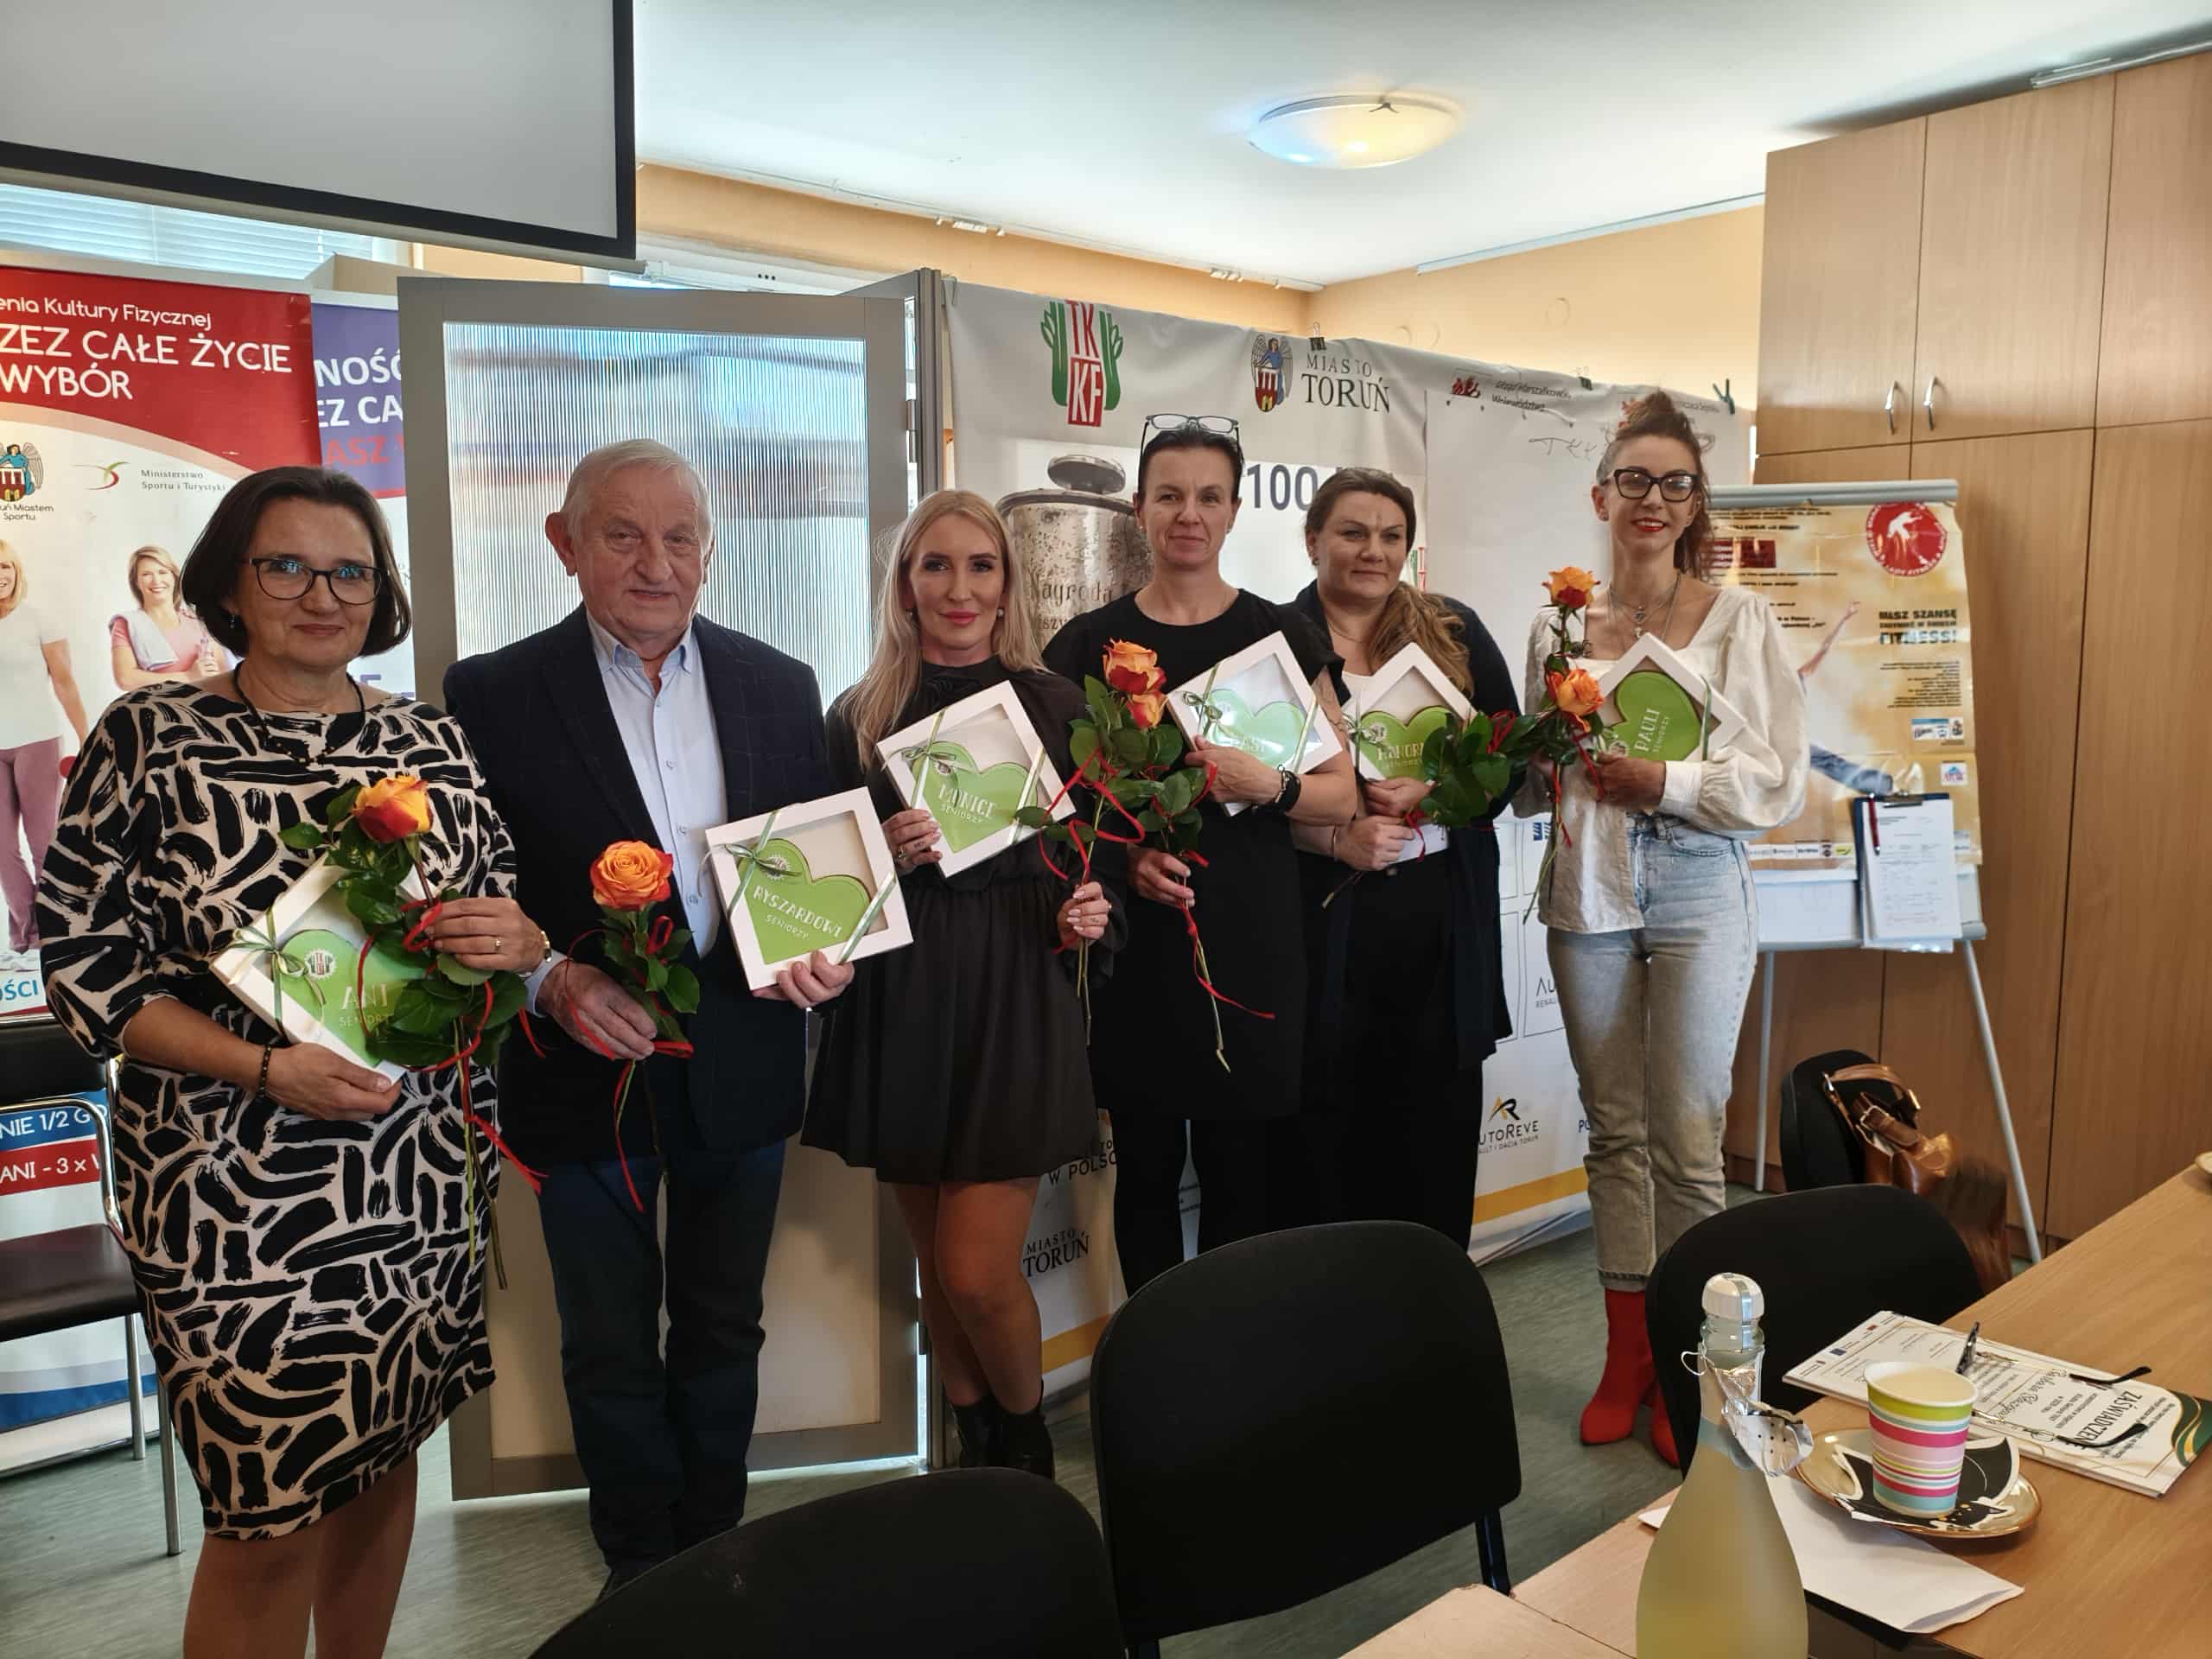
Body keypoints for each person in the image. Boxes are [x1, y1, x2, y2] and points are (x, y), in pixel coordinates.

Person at [35, 468, 544, 1659]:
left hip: (415, 1181)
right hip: (229, 1196)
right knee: (264, 1514)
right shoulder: (151, 739)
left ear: (381, 591)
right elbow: (86, 969)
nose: (323, 595)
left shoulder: (427, 740)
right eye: (287, 567)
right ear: (230, 582)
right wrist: (264, 1071)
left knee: (382, 1458)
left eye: (350, 571)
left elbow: (497, 910)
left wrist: (514, 940)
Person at [443, 438, 853, 1597]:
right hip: (580, 1067)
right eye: (621, 535)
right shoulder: (491, 693)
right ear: (565, 545)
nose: (654, 564)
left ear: (709, 553)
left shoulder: (782, 683)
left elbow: (814, 871)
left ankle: (712, 1552)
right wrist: (546, 979)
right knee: (608, 1340)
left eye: (680, 538)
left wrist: (824, 952)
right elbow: (471, 886)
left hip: (744, 1058)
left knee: (724, 1328)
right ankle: (640, 1569)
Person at [805, 490, 1120, 1478]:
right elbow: (825, 885)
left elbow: (1095, 868)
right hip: (901, 1001)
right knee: (936, 1269)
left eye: (981, 565)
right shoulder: (858, 717)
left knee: (975, 1270)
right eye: (935, 564)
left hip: (1014, 997)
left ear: (1007, 583)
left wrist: (1090, 914)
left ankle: (1027, 1449)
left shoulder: (1058, 707)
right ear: (904, 585)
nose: (959, 587)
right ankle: (974, 1454)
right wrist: (885, 851)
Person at [1523, 392, 1808, 1465]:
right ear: (1601, 495)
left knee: (1688, 1136)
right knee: (1614, 1131)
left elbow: (1775, 781)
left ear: (1695, 504)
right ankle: (1625, 1354)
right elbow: (1532, 784)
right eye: (1633, 480)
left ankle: (1698, 1366)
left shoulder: (1741, 622)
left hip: (1697, 886)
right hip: (1588, 888)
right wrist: (1523, 760)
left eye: (1674, 483)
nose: (1652, 499)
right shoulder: (1558, 628)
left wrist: (1666, 781)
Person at [1042, 416, 1357, 1294]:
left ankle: (1230, 1354)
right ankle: (1154, 1357)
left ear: (1234, 511)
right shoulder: (1086, 646)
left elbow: (1341, 797)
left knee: (1241, 1174)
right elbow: (1059, 811)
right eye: (1171, 496)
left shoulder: (1282, 638)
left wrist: (1271, 785)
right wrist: (1124, 864)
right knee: (1142, 1171)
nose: (1190, 514)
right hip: (1138, 953)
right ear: (1139, 509)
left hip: (1251, 941)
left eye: (1210, 497)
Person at [1287, 467, 1518, 1249]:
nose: (1372, 552)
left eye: (1391, 537)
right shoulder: (1279, 642)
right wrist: (1334, 829)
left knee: (1436, 1146)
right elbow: (1249, 797)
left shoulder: (1454, 631)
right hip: (1324, 928)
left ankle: (1432, 1302)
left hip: (1441, 924)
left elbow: (1510, 758)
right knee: (1328, 1150)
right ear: (1313, 540)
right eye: (1352, 533)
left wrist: (1439, 791)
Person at [0, 538, 90, 972]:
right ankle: (26, 935)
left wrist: (86, 736)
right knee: (2, 848)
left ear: (16, 570)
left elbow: (65, 682)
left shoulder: (38, 618)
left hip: (37, 740)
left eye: (5, 567)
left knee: (43, 844)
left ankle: (54, 933)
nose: (1, 575)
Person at [111, 542, 228, 690]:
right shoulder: (127, 624)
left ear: (174, 577)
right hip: (158, 705)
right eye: (146, 574)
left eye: (162, 572)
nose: (156, 580)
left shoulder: (198, 621)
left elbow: (223, 673)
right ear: (136, 582)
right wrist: (187, 677)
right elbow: (126, 679)